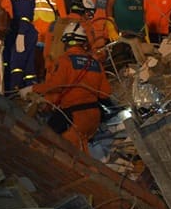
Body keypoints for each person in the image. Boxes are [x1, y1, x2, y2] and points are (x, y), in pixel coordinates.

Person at [27, 22, 112, 153]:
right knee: (83, 151)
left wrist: (32, 90)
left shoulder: (64, 61)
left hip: (73, 117)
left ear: (66, 42)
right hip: (94, 117)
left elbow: (55, 87)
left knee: (48, 142)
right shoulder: (95, 63)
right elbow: (104, 94)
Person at [3, 0, 38, 93]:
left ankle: (15, 92)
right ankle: (29, 90)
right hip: (19, 32)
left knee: (17, 65)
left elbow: (25, 15)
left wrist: (21, 35)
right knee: (28, 67)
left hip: (24, 33)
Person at [31, 0, 67, 74]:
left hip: (49, 29)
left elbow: (62, 11)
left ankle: (46, 76)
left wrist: (64, 27)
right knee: (35, 57)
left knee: (47, 56)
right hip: (35, 28)